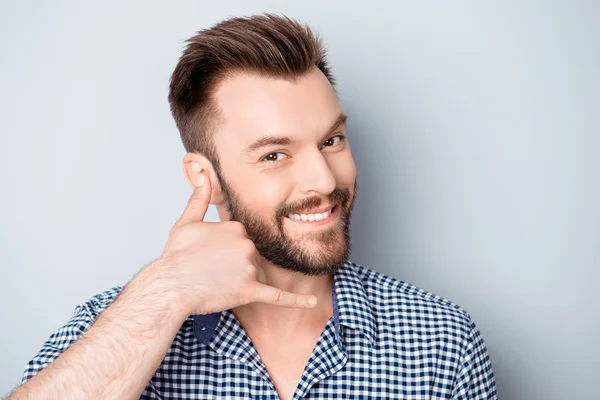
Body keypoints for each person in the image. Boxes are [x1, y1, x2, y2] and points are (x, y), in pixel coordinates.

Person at [8, 13, 497, 400]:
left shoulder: (442, 344)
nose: (324, 180)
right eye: (274, 155)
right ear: (207, 179)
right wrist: (166, 291)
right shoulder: (115, 328)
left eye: (331, 140)